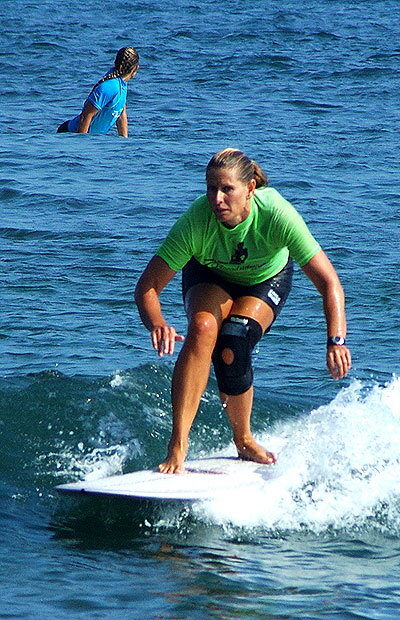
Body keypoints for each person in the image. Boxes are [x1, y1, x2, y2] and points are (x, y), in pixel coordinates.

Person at [135, 148, 352, 474]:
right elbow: (147, 286)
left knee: (234, 341)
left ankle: (244, 439)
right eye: (211, 188)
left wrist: (335, 340)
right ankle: (178, 445)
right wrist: (157, 323)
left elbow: (329, 282)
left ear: (250, 188)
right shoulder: (197, 221)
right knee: (204, 328)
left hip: (265, 278)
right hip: (210, 274)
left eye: (227, 189)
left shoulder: (276, 214)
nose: (217, 198)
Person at [57, 46, 139, 137]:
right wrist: (81, 145)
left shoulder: (122, 82)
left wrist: (125, 144)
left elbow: (121, 113)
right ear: (135, 69)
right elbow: (86, 115)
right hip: (68, 134)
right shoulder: (110, 86)